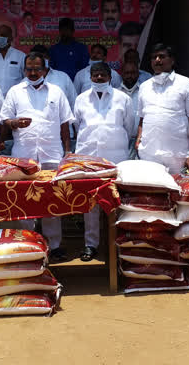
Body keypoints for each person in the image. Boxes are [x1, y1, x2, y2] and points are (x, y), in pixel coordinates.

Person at [0, 53, 74, 262]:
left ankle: (54, 245)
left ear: (45, 70)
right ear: (24, 70)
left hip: (52, 153)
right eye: (29, 69)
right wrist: (14, 123)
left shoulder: (56, 92)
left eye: (37, 69)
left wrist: (67, 152)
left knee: (51, 199)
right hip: (25, 155)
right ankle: (28, 244)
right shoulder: (15, 92)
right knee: (25, 202)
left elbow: (65, 123)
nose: (32, 73)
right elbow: (4, 119)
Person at [73, 62, 135, 261]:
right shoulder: (81, 99)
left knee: (117, 200)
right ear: (90, 77)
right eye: (95, 75)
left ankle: (118, 243)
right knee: (90, 203)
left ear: (110, 77)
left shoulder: (123, 98)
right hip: (88, 158)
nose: (99, 78)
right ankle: (91, 245)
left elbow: (130, 127)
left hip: (115, 158)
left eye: (102, 75)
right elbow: (76, 125)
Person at [136, 43, 189, 174]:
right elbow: (142, 119)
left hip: (177, 157)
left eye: (162, 56)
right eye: (154, 57)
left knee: (178, 193)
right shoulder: (144, 86)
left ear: (172, 60)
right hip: (149, 156)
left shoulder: (186, 84)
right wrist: (138, 139)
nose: (157, 60)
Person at [31, 45, 77, 111]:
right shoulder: (25, 82)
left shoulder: (63, 77)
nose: (43, 61)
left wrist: (73, 121)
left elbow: (73, 102)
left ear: (49, 58)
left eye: (45, 57)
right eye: (39, 59)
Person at [0, 24, 25, 96]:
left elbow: (26, 78)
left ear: (11, 38)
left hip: (14, 98)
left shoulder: (21, 56)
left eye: (3, 35)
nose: (0, 37)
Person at [119, 61, 142, 159]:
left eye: (133, 73)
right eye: (127, 73)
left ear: (138, 74)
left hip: (140, 142)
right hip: (120, 143)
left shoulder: (145, 92)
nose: (130, 76)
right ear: (122, 74)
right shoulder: (114, 94)